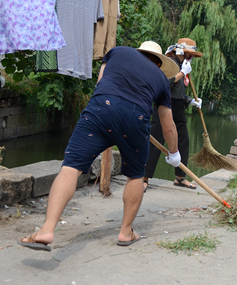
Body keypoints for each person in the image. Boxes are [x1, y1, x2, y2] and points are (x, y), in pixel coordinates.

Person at [18, 41, 181, 251]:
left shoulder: (117, 52)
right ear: (159, 63)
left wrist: (113, 107)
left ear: (138, 51)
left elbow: (100, 82)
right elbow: (168, 125)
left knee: (71, 167)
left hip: (100, 108)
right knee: (135, 176)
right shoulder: (161, 78)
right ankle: (126, 232)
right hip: (136, 115)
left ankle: (47, 229)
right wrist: (174, 153)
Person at [144, 38, 203, 190]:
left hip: (178, 106)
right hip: (164, 104)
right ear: (182, 52)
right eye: (190, 54)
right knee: (156, 140)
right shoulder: (169, 64)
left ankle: (180, 177)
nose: (191, 58)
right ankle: (144, 177)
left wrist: (190, 101)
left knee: (183, 140)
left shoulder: (185, 65)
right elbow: (164, 84)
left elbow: (180, 92)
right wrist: (182, 73)